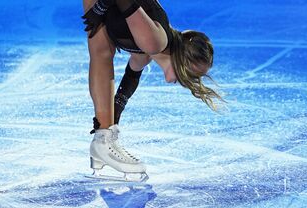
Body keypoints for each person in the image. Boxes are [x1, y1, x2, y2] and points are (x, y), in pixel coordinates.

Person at [82, 0, 222, 181]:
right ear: (183, 60)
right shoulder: (154, 42)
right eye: (192, 75)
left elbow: (128, 84)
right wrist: (100, 8)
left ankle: (102, 141)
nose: (189, 82)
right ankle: (103, 142)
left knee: (101, 52)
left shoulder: (144, 55)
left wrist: (112, 123)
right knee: (101, 51)